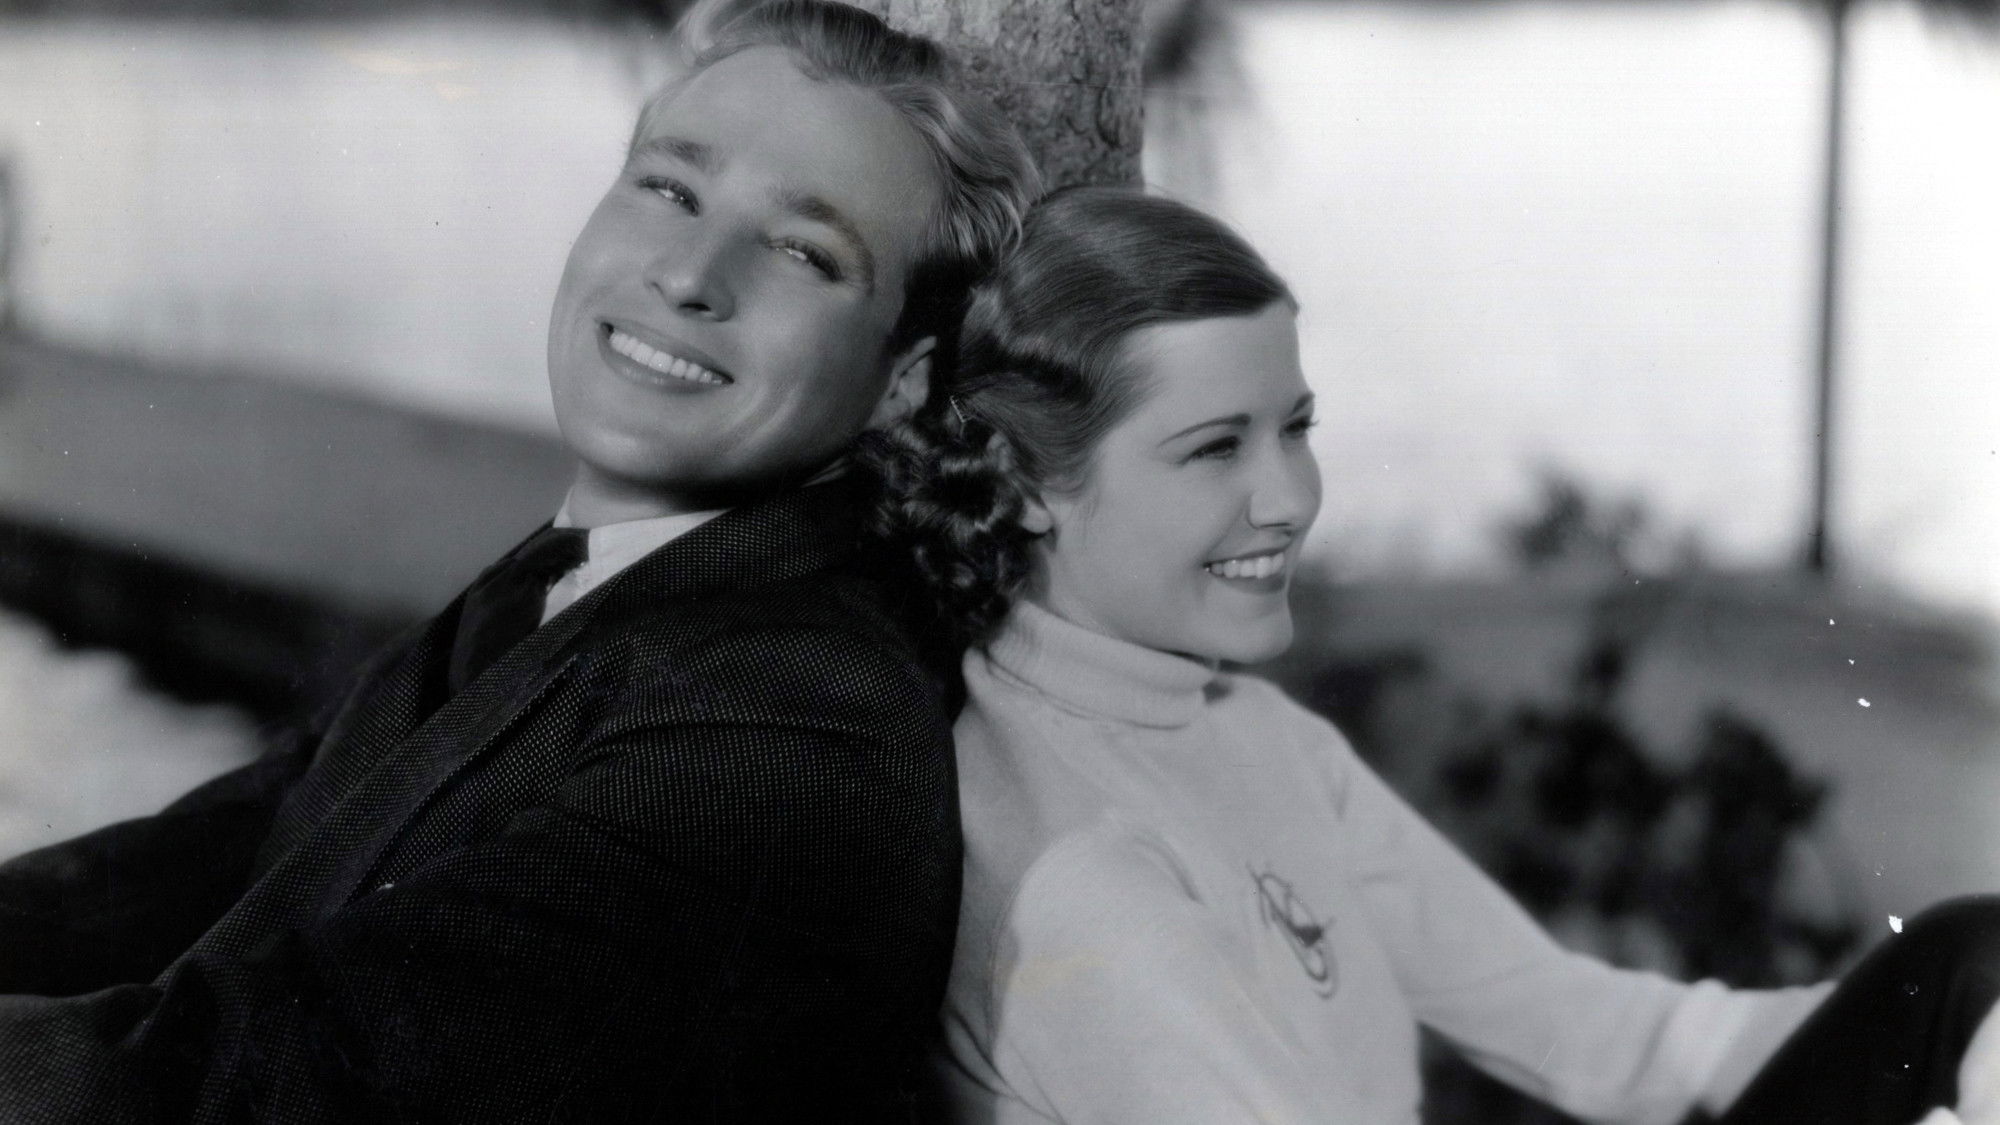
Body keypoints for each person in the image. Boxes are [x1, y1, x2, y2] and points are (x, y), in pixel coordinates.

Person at [0, 2, 1039, 1119]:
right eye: (670, 188)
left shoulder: (789, 725)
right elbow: (231, 842)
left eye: (801, 250)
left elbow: (304, 1083)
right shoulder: (601, 575)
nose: (690, 273)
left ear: (902, 379)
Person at [871, 186, 2000, 1125]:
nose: (1290, 498)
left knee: (1973, 967)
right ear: (1024, 485)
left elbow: (1583, 1028)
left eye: (1296, 428)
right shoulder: (1077, 873)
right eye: (1214, 448)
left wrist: (1953, 1052)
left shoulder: (1250, 737)